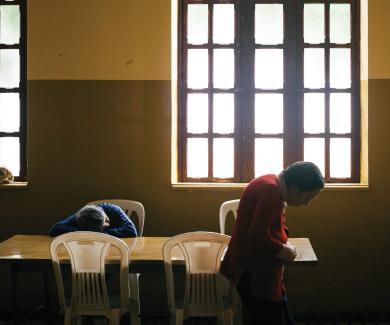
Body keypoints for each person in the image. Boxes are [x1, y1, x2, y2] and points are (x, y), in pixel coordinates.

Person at [220, 161, 324, 325]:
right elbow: (257, 235)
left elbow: (269, 226)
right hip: (255, 274)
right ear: (295, 188)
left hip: (262, 272)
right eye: (308, 197)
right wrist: (284, 250)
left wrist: (284, 244)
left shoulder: (270, 183)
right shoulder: (270, 191)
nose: (306, 203)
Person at [49, 203, 138, 238]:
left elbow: (131, 230)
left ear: (104, 213)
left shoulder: (114, 210)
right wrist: (86, 232)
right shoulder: (81, 216)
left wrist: (96, 234)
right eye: (103, 228)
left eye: (106, 220)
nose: (108, 225)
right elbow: (55, 229)